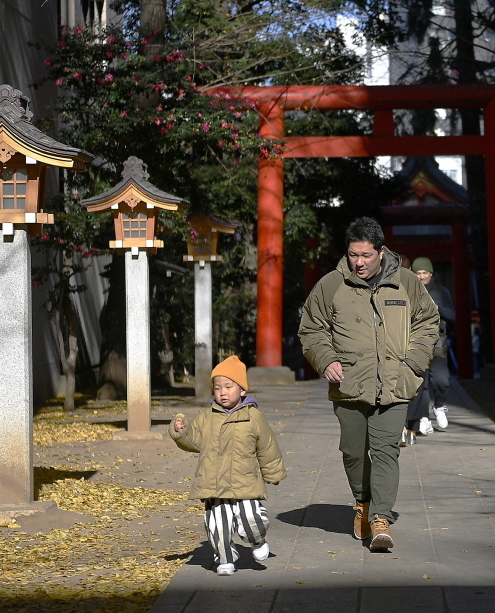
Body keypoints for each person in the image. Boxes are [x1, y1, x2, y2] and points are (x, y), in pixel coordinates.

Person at [299, 216, 439, 551]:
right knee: (353, 453)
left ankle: (380, 518)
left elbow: (428, 321)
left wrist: (413, 365)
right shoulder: (331, 284)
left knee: (387, 450)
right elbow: (312, 328)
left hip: (395, 385)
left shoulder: (406, 282)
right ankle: (362, 502)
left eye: (365, 255)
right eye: (352, 255)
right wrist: (326, 359)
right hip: (349, 386)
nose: (358, 262)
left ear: (380, 251)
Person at [169, 355, 287, 575]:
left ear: (242, 390)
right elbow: (194, 440)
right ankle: (225, 557)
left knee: (251, 517)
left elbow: (267, 446)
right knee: (217, 524)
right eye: (217, 388)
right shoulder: (207, 418)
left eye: (228, 386)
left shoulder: (254, 417)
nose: (222, 392)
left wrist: (273, 473)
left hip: (246, 482)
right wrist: (181, 431)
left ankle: (258, 540)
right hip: (214, 484)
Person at [411, 257, 456, 431]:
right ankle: (423, 417)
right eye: (418, 273)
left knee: (441, 379)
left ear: (431, 274)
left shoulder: (441, 291)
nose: (421, 277)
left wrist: (438, 309)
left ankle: (438, 406)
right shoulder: (409, 291)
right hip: (416, 340)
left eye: (424, 273)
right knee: (421, 381)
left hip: (438, 339)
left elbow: (452, 315)